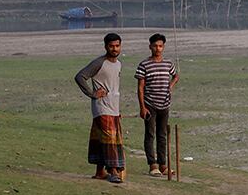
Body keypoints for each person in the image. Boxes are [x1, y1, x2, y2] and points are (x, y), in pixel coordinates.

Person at [74, 32, 125, 185]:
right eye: (111, 46)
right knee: (109, 139)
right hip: (102, 107)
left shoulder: (118, 64)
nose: (114, 49)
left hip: (113, 108)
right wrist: (92, 94)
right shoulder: (99, 62)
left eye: (117, 46)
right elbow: (80, 76)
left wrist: (117, 109)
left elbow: (113, 87)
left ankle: (99, 172)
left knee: (100, 139)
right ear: (105, 47)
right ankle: (113, 171)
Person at [133, 33, 180, 179]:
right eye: (155, 46)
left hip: (165, 105)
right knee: (150, 134)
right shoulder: (144, 64)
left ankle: (163, 165)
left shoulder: (168, 64)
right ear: (150, 47)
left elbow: (176, 76)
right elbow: (140, 87)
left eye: (160, 46)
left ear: (163, 47)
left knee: (162, 135)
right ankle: (152, 165)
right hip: (150, 104)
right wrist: (142, 107)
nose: (157, 49)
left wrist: (170, 86)